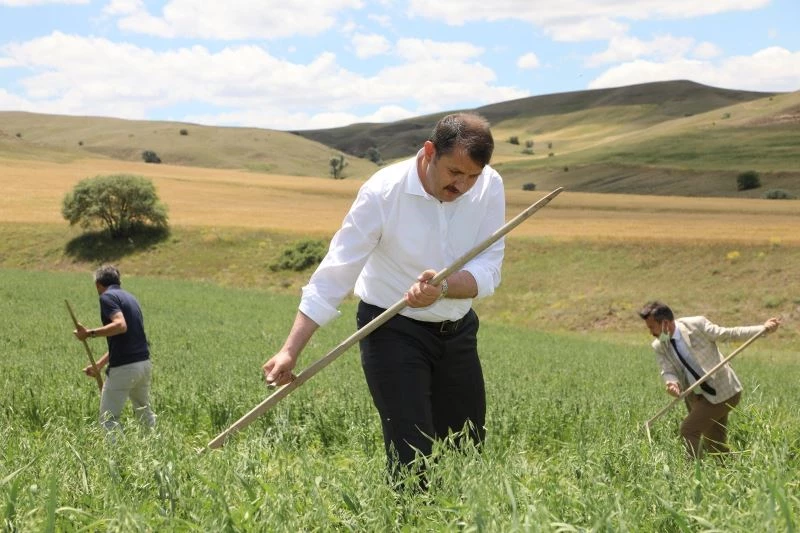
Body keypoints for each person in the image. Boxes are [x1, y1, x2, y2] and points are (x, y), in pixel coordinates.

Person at [262, 113, 505, 485]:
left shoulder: (489, 186)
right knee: (411, 452)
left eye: (472, 176)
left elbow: (490, 265)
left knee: (466, 446)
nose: (464, 185)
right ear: (429, 152)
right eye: (455, 172)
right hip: (391, 329)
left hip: (457, 331)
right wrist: (290, 350)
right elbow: (336, 271)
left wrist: (444, 287)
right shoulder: (382, 192)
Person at [638, 301, 780, 458]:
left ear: (665, 323)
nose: (650, 332)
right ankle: (733, 472)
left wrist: (763, 329)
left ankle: (693, 475)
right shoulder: (659, 345)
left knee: (688, 430)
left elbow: (729, 334)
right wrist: (671, 383)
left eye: (651, 327)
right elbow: (668, 370)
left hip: (723, 391)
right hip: (697, 397)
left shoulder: (696, 325)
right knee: (715, 446)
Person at [73, 265, 156, 432]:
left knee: (108, 420)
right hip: (143, 364)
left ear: (98, 284)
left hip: (124, 368)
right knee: (144, 414)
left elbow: (120, 326)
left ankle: (117, 458)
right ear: (119, 281)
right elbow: (126, 340)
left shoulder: (107, 297)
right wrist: (100, 364)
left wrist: (89, 333)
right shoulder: (131, 299)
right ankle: (157, 452)